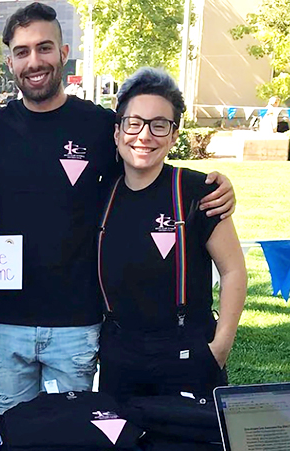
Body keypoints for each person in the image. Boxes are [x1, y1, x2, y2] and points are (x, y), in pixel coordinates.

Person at [0, 3, 236, 415]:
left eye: (44, 48)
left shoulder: (100, 125)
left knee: (73, 437)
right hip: (4, 320)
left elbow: (145, 158)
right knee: (12, 435)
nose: (34, 61)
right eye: (22, 51)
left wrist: (210, 185)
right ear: (10, 60)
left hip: (78, 323)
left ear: (64, 52)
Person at [98, 68, 246, 399]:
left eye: (159, 125)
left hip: (187, 350)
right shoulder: (102, 192)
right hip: (119, 353)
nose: (144, 135)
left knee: (191, 449)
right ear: (118, 131)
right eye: (134, 123)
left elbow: (233, 269)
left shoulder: (198, 190)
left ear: (174, 135)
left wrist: (220, 346)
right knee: (122, 448)